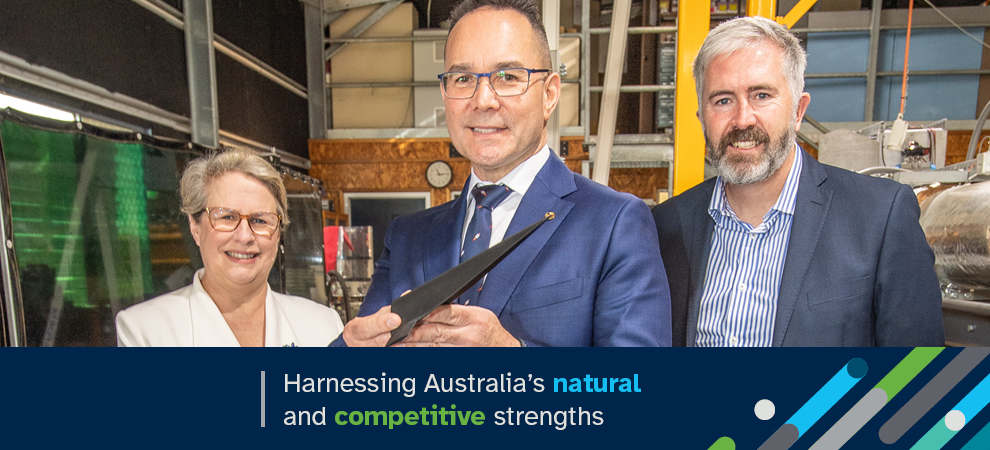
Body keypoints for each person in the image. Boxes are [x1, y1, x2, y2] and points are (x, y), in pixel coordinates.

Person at [334, 0, 671, 347]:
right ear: (445, 94)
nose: (483, 100)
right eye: (463, 78)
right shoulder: (407, 237)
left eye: (508, 77)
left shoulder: (613, 223)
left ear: (550, 94)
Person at [652, 17, 943, 347]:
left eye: (761, 95)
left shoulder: (879, 218)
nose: (742, 118)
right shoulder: (665, 227)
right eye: (723, 100)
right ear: (702, 117)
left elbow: (919, 378)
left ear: (798, 110)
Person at [116, 149, 344, 346]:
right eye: (226, 217)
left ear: (278, 233)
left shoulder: (323, 325)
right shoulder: (144, 331)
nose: (244, 236)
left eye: (260, 220)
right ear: (195, 227)